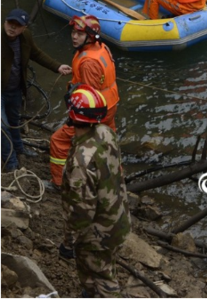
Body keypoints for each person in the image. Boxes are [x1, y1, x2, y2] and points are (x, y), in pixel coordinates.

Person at [58, 84, 130, 298]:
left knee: (103, 278)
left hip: (97, 234)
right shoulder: (106, 133)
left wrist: (68, 241)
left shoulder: (82, 159)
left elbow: (81, 211)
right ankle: (89, 293)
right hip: (118, 218)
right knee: (102, 268)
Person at [49, 15, 119, 188]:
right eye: (73, 32)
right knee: (108, 144)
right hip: (110, 105)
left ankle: (58, 182)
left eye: (79, 34)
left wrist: (75, 120)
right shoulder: (101, 47)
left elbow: (89, 98)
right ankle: (115, 178)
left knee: (58, 141)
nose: (74, 36)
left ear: (90, 36)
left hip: (95, 112)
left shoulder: (88, 63)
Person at [1, 9, 72, 171]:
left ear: (24, 28)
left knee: (14, 122)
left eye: (17, 25)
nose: (12, 28)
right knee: (2, 127)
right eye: (10, 23)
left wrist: (58, 66)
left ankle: (20, 149)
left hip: (16, 89)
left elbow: (37, 54)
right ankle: (11, 163)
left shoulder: (26, 38)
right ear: (5, 22)